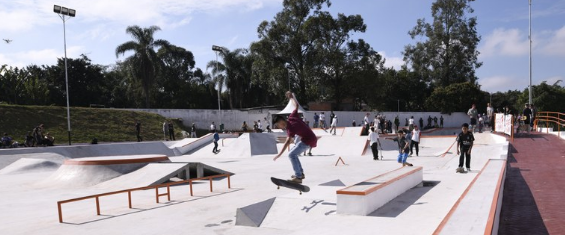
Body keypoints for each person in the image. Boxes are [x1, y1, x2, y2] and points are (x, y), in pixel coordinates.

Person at [273, 91, 317, 184]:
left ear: (281, 122)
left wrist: (279, 154)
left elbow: (287, 142)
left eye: (278, 126)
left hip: (308, 140)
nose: (279, 127)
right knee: (293, 154)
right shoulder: (292, 116)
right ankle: (300, 173)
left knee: (291, 154)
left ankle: (298, 176)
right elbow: (296, 106)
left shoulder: (290, 129)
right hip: (309, 138)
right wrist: (291, 97)